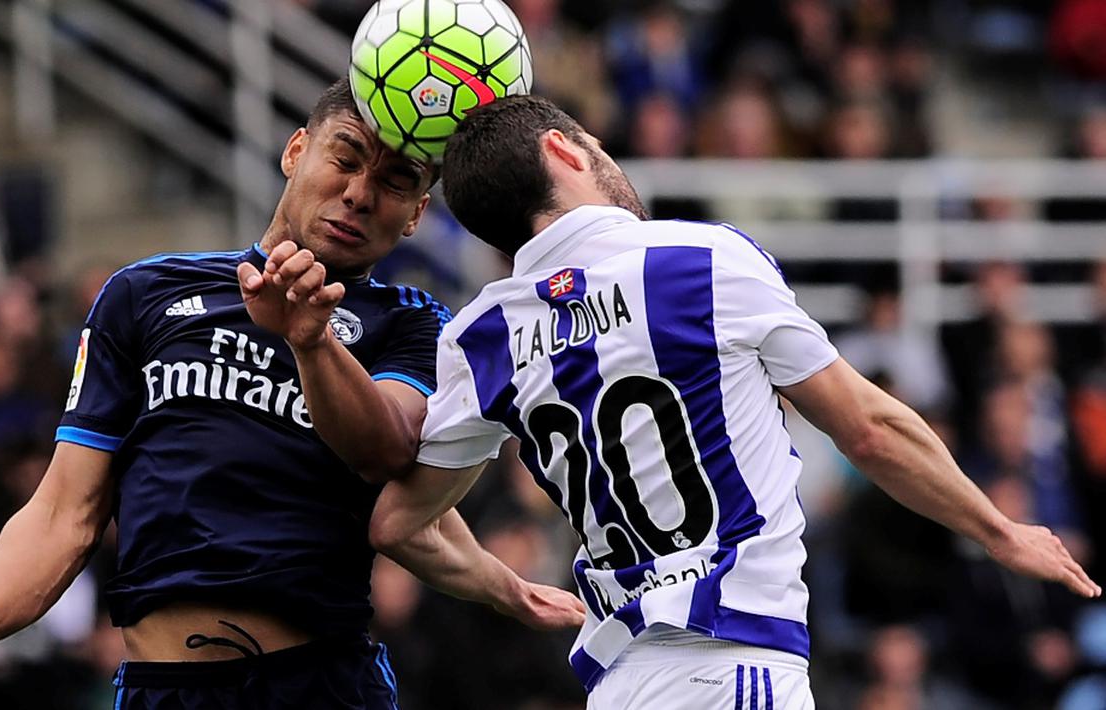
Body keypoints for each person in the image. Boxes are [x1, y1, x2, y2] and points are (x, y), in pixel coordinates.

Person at [368, 95, 1102, 709]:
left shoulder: (480, 337)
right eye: (597, 144)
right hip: (735, 664)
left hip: (618, 685)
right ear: (564, 150)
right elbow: (870, 429)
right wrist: (998, 530)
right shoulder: (700, 260)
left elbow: (399, 524)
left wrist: (508, 591)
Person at [0, 80, 582, 710]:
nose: (359, 193)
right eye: (344, 158)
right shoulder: (144, 294)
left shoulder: (412, 324)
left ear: (415, 214)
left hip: (319, 685)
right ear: (295, 151)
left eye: (395, 182)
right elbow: (64, 512)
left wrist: (311, 342)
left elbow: (388, 451)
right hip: (160, 690)